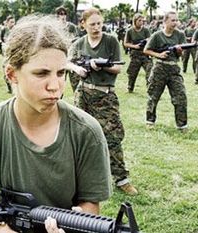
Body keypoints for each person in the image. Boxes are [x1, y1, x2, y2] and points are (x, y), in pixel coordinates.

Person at [0, 14, 112, 233]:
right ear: (11, 74)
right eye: (41, 73)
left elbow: (90, 204)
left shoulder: (86, 131)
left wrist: (75, 223)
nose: (55, 86)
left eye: (61, 72)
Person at [67, 8, 137, 195]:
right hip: (83, 94)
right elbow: (68, 62)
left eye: (99, 23)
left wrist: (99, 66)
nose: (97, 27)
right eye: (92, 24)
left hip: (105, 95)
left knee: (112, 137)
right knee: (79, 136)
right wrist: (79, 69)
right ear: (83, 25)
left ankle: (121, 178)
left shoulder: (111, 41)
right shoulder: (80, 43)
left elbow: (118, 68)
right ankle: (80, 176)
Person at [143, 11, 187, 132]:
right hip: (160, 68)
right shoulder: (157, 35)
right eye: (172, 20)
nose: (175, 23)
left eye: (176, 20)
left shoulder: (180, 35)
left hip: (174, 68)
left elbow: (182, 53)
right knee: (153, 95)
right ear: (165, 21)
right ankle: (150, 121)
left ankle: (182, 125)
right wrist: (159, 54)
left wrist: (179, 51)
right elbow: (146, 50)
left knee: (180, 97)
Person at [123, 13, 153, 93]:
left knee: (150, 71)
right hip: (135, 54)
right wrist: (134, 46)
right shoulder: (130, 31)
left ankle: (150, 89)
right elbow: (125, 43)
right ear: (135, 21)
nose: (141, 22)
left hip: (145, 54)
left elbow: (150, 39)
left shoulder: (146, 30)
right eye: (139, 20)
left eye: (142, 21)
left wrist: (147, 41)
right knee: (132, 73)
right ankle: (130, 87)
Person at [0, 15, 15, 93]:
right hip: (5, 54)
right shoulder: (4, 30)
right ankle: (9, 87)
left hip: (13, 54)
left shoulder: (16, 30)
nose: (13, 24)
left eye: (13, 22)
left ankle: (13, 88)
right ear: (7, 22)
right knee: (5, 72)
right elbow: (1, 39)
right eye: (11, 22)